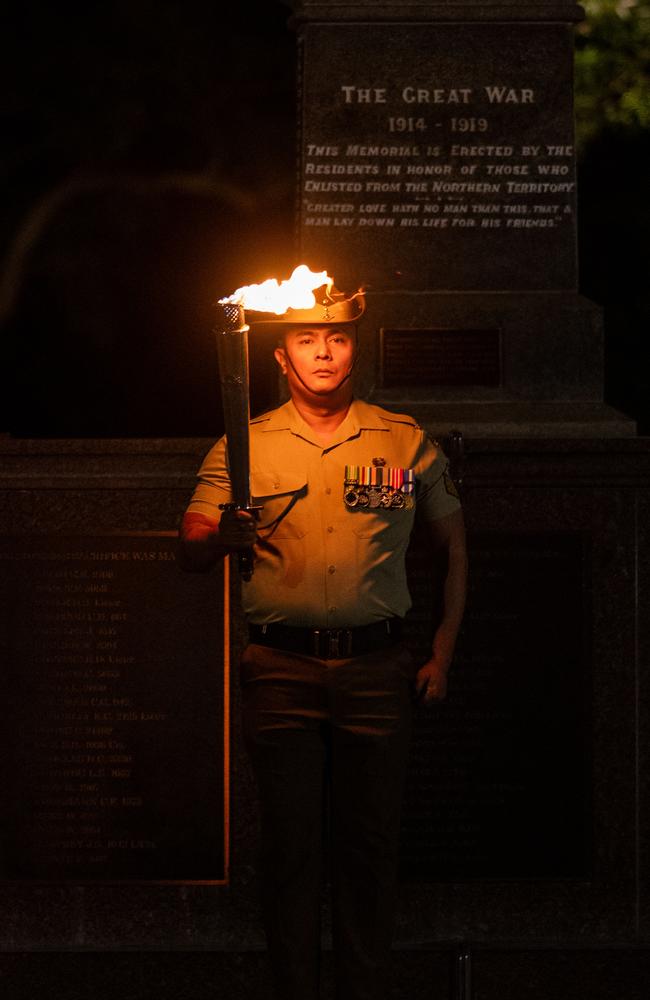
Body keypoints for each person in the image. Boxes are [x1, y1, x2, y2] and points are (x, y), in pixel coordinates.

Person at [179, 284, 467, 1000]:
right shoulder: (246, 444)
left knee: (369, 851)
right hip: (280, 669)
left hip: (377, 668)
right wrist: (224, 535)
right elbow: (189, 541)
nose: (323, 353)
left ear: (353, 350)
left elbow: (453, 545)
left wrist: (444, 647)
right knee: (291, 852)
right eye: (307, 340)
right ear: (280, 356)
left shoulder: (401, 439)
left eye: (336, 340)